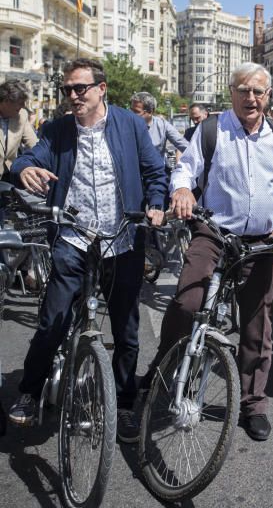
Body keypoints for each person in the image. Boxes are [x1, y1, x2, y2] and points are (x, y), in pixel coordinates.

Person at [8, 58, 168, 442]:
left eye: (80, 88)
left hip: (122, 238)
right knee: (53, 320)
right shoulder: (59, 129)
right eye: (68, 90)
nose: (74, 96)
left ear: (101, 89)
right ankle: (29, 392)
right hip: (73, 236)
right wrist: (23, 169)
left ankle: (126, 403)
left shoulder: (130, 124)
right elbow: (33, 156)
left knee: (127, 330)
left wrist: (157, 203)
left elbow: (154, 170)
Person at [147, 61, 273, 441]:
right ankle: (161, 376)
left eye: (258, 92)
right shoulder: (212, 130)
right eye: (243, 90)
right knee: (187, 302)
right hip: (214, 231)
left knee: (257, 324)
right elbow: (186, 169)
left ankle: (253, 403)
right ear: (231, 93)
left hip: (261, 241)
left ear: (268, 97)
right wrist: (182, 190)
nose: (250, 98)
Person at [130, 92, 188, 162]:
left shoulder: (163, 126)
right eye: (131, 110)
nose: (131, 114)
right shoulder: (124, 124)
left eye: (136, 112)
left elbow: (184, 146)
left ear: (151, 112)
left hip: (155, 170)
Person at [0, 80, 37, 182]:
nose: (23, 106)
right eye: (20, 103)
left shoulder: (22, 115)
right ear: (6, 100)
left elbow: (34, 144)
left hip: (9, 174)